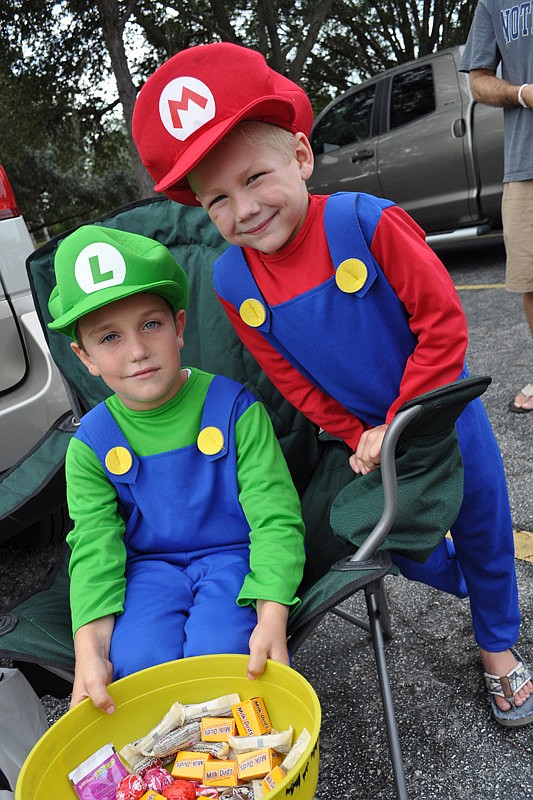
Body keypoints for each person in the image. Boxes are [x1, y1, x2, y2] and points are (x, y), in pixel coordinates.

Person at [131, 41, 533, 727]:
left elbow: (442, 325)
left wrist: (402, 418)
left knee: (483, 527)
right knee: (389, 542)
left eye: (255, 177)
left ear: (300, 155)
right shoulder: (233, 279)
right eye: (217, 199)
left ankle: (497, 645)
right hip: (369, 443)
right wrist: (356, 434)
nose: (243, 209)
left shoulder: (364, 222)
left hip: (443, 414)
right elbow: (292, 380)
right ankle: (481, 587)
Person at [47, 224, 305, 714]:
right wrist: (90, 649)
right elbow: (95, 548)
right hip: (147, 571)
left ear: (179, 326)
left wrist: (272, 612)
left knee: (223, 656)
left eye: (151, 325)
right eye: (109, 337)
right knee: (138, 665)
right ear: (85, 358)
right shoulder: (91, 445)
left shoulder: (235, 410)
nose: (137, 351)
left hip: (234, 558)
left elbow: (275, 517)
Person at [461, 1, 533, 413]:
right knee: (531, 280)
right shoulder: (493, 3)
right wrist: (521, 93)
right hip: (526, 162)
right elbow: (479, 81)